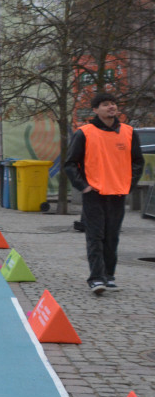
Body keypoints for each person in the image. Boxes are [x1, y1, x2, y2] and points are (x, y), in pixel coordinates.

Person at [64, 92, 144, 294]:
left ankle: (109, 276)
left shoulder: (128, 132)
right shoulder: (85, 133)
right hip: (94, 194)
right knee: (95, 236)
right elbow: (71, 164)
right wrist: (84, 187)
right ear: (95, 109)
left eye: (113, 103)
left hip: (118, 194)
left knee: (112, 237)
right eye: (106, 104)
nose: (111, 107)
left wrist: (128, 184)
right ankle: (96, 278)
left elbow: (137, 162)